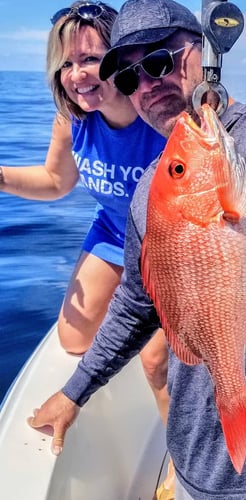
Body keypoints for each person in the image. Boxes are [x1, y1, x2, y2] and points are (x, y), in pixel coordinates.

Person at [28, 0, 246, 498]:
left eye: (158, 60)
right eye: (130, 79)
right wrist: (75, 392)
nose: (148, 84)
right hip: (199, 462)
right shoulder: (150, 189)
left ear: (204, 52)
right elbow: (137, 303)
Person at [0, 0, 172, 485]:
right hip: (115, 236)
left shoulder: (158, 112)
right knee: (74, 338)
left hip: (171, 248)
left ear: (121, 57)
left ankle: (183, 457)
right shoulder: (72, 120)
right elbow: (56, 182)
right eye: (67, 62)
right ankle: (137, 323)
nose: (76, 74)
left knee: (156, 361)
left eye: (90, 58)